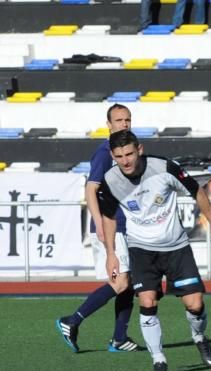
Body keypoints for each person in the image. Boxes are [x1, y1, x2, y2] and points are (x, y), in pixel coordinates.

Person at [96, 130, 211, 371]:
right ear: (112, 156)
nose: (125, 161)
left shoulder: (165, 168)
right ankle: (158, 358)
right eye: (119, 156)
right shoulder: (110, 180)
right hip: (140, 249)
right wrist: (111, 253)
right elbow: (108, 218)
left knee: (195, 304)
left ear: (139, 149)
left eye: (129, 154)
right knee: (147, 301)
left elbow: (197, 191)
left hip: (176, 248)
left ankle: (199, 335)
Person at [56, 104, 138, 354]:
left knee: (130, 282)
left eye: (127, 119)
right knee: (121, 282)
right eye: (119, 120)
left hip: (126, 224)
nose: (124, 124)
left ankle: (119, 338)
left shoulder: (125, 150)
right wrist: (100, 223)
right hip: (112, 226)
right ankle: (72, 321)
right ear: (109, 124)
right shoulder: (105, 153)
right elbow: (91, 189)